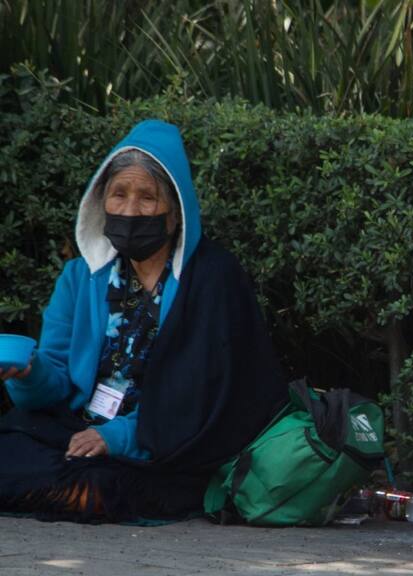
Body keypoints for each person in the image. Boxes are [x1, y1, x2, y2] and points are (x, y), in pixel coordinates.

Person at [0, 120, 286, 522]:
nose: (130, 210)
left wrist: (116, 437)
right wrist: (27, 374)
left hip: (165, 448)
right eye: (119, 194)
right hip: (78, 432)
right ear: (102, 202)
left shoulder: (212, 279)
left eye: (147, 198)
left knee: (96, 488)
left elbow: (200, 398)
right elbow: (57, 383)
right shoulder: (81, 277)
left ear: (175, 209)